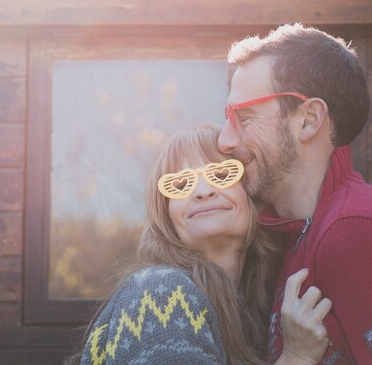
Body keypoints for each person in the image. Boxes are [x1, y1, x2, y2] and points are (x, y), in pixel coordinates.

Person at [218, 23, 372, 365]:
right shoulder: (303, 231)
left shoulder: (358, 237)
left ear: (309, 119)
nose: (224, 141)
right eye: (228, 117)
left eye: (245, 117)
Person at [72, 124, 332, 365]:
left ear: (251, 194)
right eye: (181, 184)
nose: (202, 191)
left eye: (221, 174)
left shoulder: (254, 306)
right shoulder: (161, 294)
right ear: (167, 214)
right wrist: (295, 357)